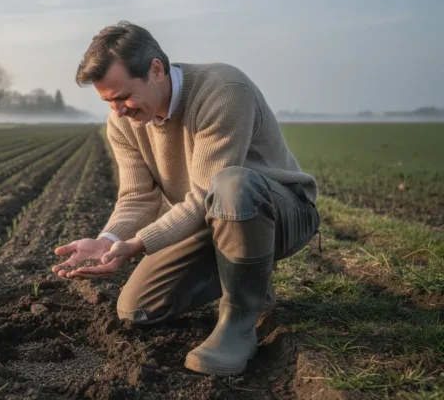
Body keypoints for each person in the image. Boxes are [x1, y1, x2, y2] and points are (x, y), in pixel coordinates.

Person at [52, 21, 320, 376]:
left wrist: (139, 244)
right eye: (107, 101)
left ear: (156, 70)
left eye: (123, 97)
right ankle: (249, 277)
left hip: (280, 209)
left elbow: (205, 194)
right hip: (213, 217)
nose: (117, 111)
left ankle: (239, 321)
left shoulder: (223, 90)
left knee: (231, 185)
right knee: (137, 308)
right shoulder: (122, 122)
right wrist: (109, 240)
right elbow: (137, 197)